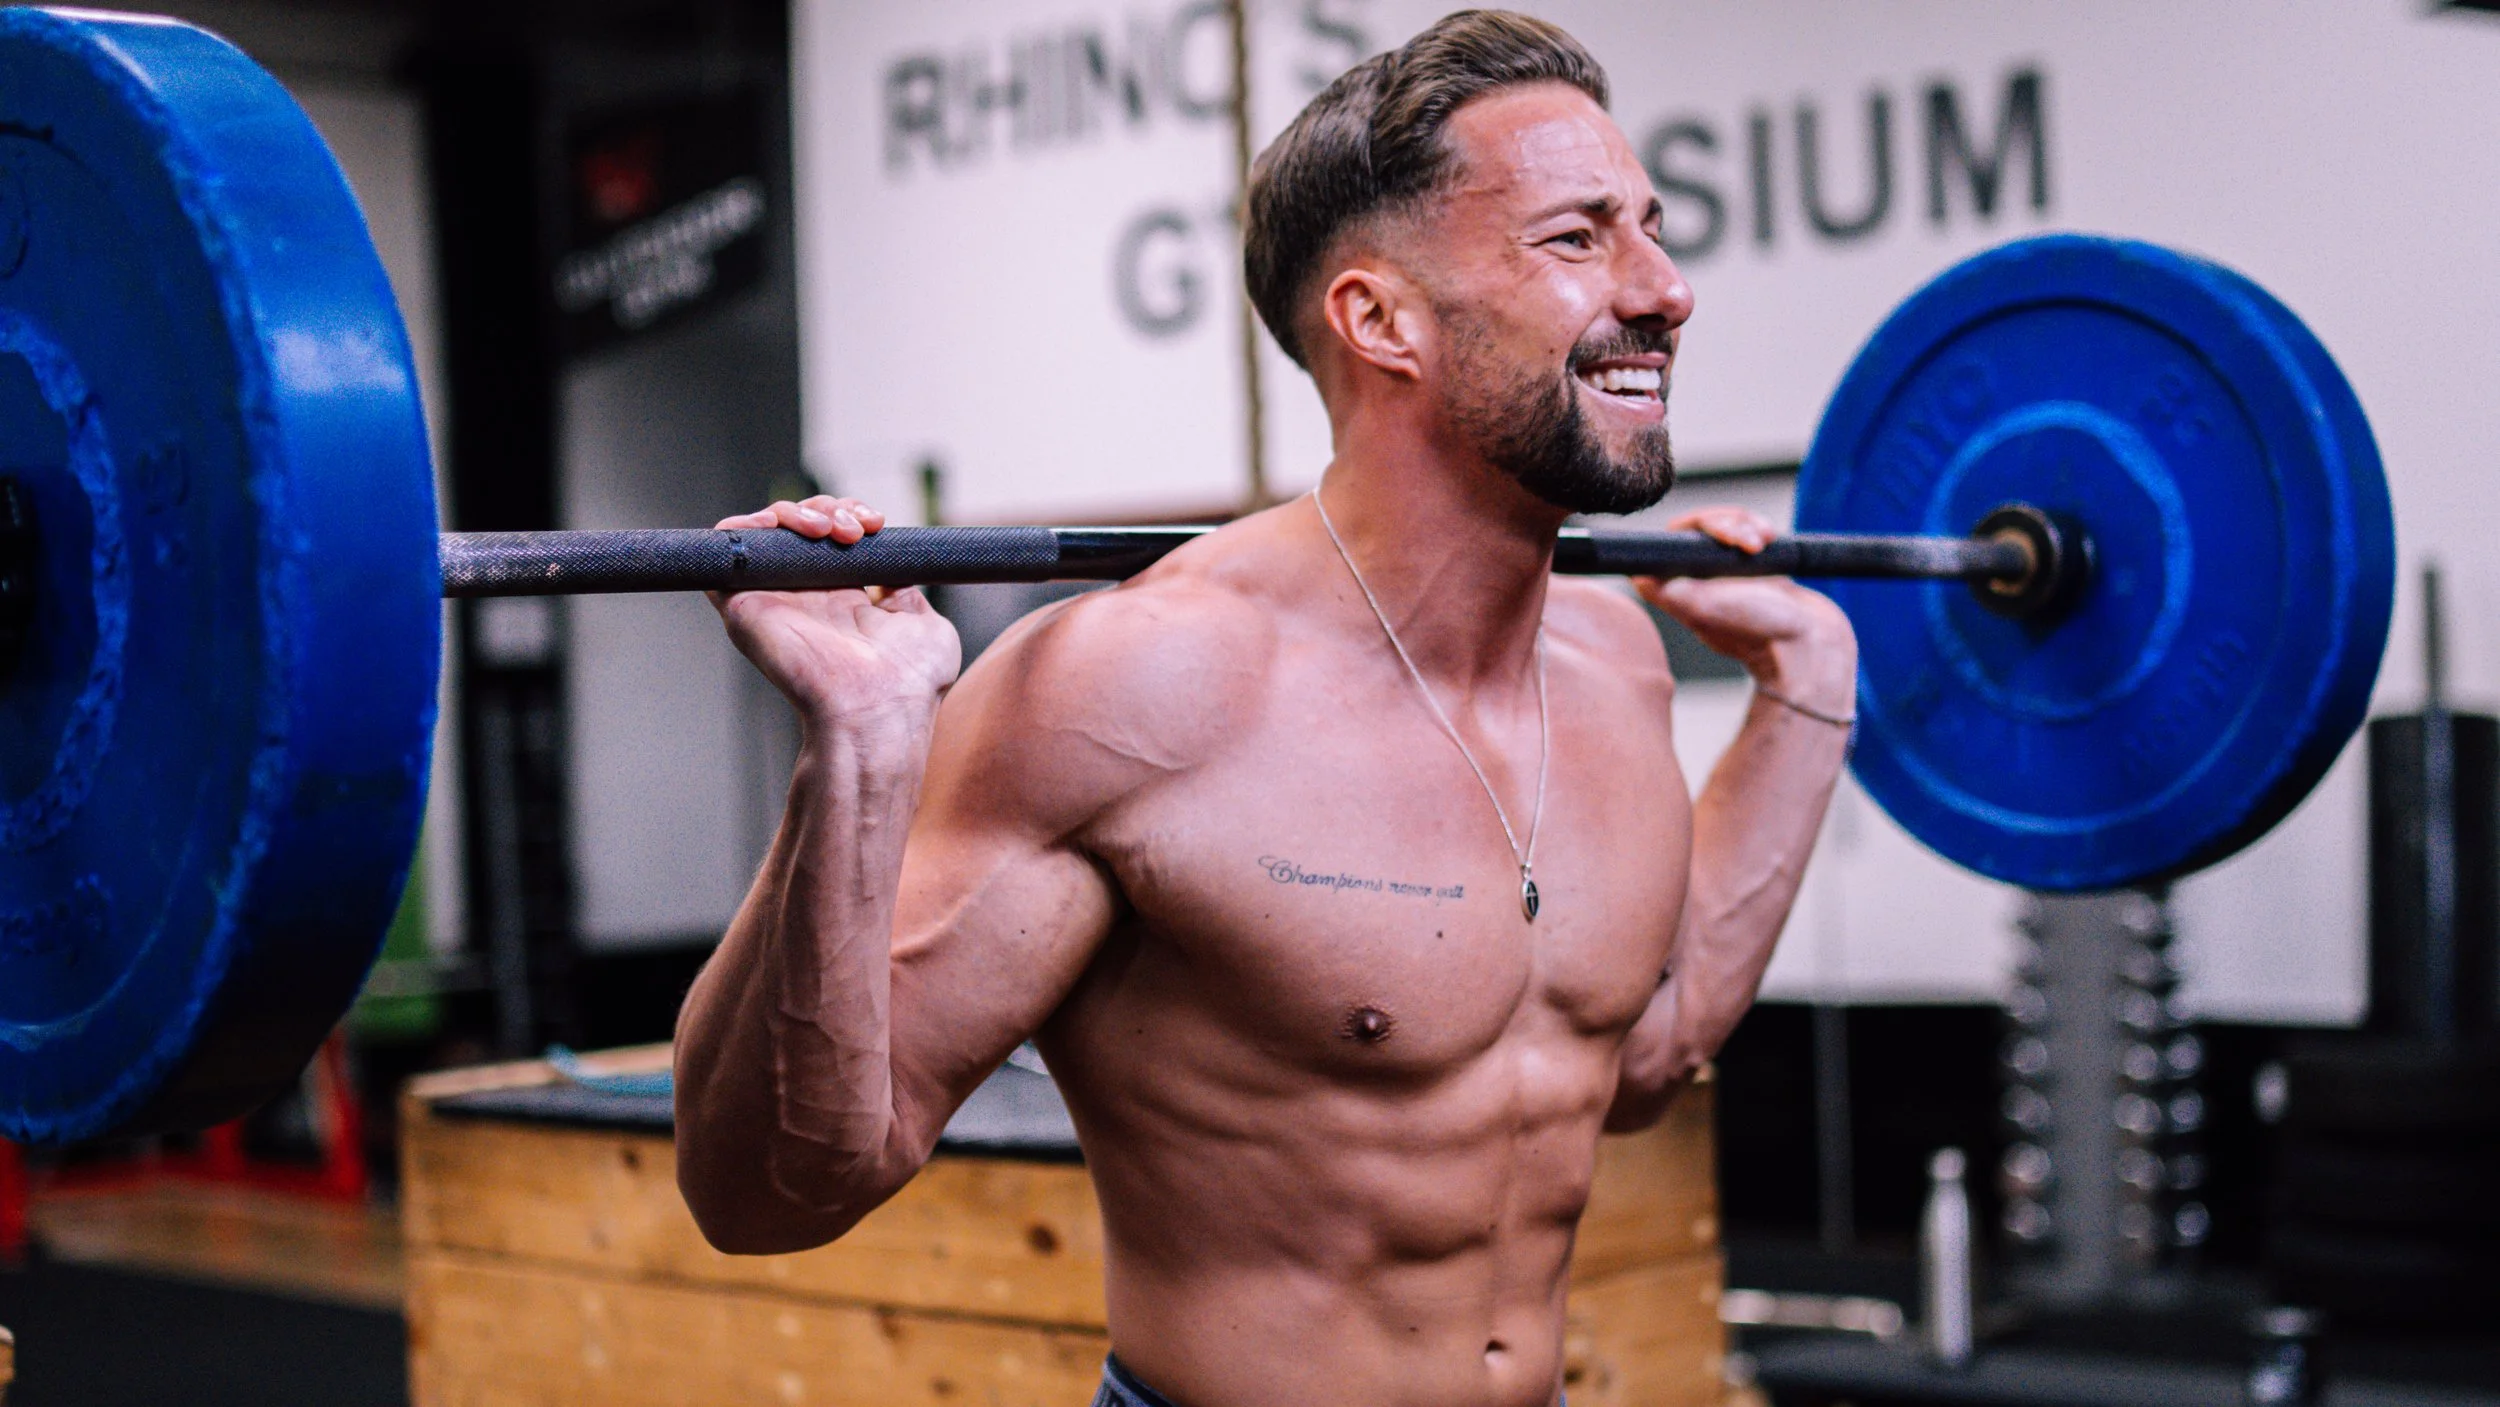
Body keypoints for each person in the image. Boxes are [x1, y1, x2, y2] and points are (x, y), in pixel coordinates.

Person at [674, 11, 1856, 1407]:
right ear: (1380, 320)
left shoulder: (1615, 664)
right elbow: (767, 1193)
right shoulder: (1138, 688)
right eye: (1577, 239)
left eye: (1650, 229)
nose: (1666, 288)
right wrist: (861, 752)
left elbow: (1638, 1063)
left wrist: (1810, 694)